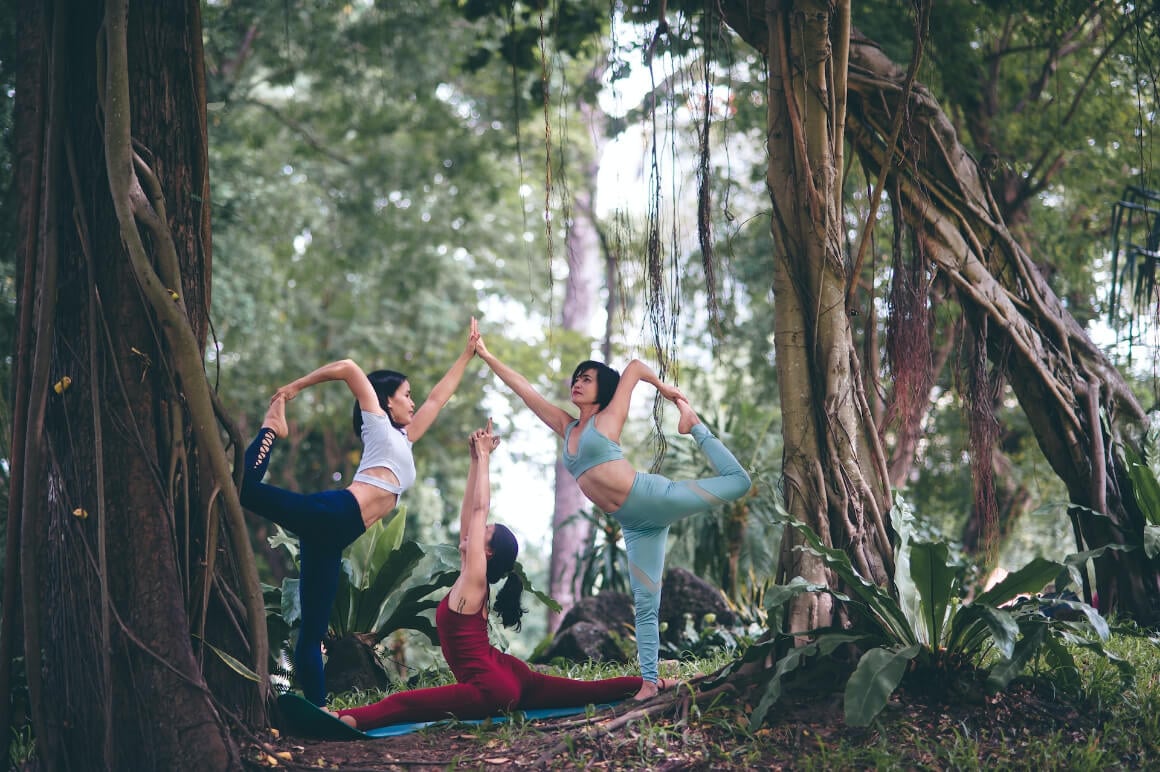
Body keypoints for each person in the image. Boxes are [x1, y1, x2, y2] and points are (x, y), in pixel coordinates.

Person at [475, 340, 751, 700]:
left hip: (654, 497)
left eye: (586, 379)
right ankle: (650, 683)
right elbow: (525, 389)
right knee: (646, 602)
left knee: (739, 482)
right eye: (576, 378)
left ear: (601, 389)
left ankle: (695, 425)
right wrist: (486, 353)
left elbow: (635, 368)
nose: (577, 383)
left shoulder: (608, 419)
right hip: (635, 525)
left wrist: (667, 391)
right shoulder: (568, 428)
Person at [333, 421, 643, 730]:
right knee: (584, 691)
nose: (473, 531)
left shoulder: (474, 582)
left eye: (485, 532)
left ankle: (346, 720)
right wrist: (474, 460)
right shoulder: (469, 577)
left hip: (489, 688)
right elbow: (471, 515)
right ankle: (653, 683)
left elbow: (480, 510)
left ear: (489, 553)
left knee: (402, 703)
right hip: (509, 674)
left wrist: (485, 458)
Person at [240, 319, 480, 706]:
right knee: (244, 488)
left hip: (332, 536)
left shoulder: (404, 439)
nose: (413, 401)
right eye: (406, 395)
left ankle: (317, 711)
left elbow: (438, 398)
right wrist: (295, 388)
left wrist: (467, 356)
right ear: (387, 400)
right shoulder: (378, 424)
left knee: (313, 633)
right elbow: (350, 368)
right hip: (331, 513)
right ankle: (270, 428)